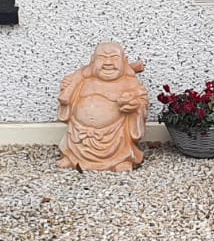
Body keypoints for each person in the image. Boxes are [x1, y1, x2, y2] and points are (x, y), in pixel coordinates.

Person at [58, 42, 149, 172]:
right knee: (73, 144)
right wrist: (67, 87)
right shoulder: (82, 80)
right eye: (102, 57)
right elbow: (67, 101)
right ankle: (72, 157)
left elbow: (141, 101)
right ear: (93, 60)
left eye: (114, 57)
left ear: (124, 61)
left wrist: (136, 107)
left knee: (122, 144)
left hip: (114, 135)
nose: (108, 63)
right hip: (78, 132)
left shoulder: (130, 83)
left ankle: (121, 160)